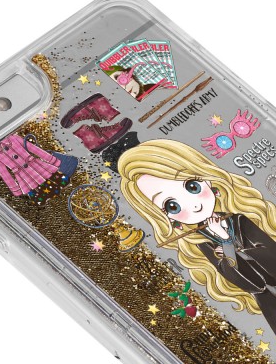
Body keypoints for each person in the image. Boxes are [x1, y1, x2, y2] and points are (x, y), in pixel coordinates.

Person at [118, 139, 276, 333]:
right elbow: (250, 283)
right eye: (172, 206)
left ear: (206, 180)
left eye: (192, 187)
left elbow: (272, 258)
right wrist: (227, 244)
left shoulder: (240, 219)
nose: (193, 205)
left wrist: (229, 245)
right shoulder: (201, 244)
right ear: (166, 217)